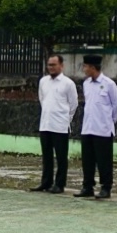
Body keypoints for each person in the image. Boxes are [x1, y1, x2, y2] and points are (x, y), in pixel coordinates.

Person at [75, 55, 117, 200]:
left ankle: (106, 187)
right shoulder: (86, 84)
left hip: (103, 129)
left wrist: (109, 121)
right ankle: (87, 186)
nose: (84, 69)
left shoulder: (109, 84)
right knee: (87, 160)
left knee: (104, 161)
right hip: (88, 127)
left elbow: (116, 106)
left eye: (85, 66)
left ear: (93, 68)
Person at [34, 54, 79, 194]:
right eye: (49, 65)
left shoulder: (68, 83)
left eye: (54, 65)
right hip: (45, 124)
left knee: (61, 157)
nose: (51, 67)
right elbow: (42, 99)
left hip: (60, 126)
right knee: (46, 156)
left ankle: (59, 184)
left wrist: (66, 119)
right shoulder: (43, 81)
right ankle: (46, 182)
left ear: (61, 65)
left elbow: (73, 104)